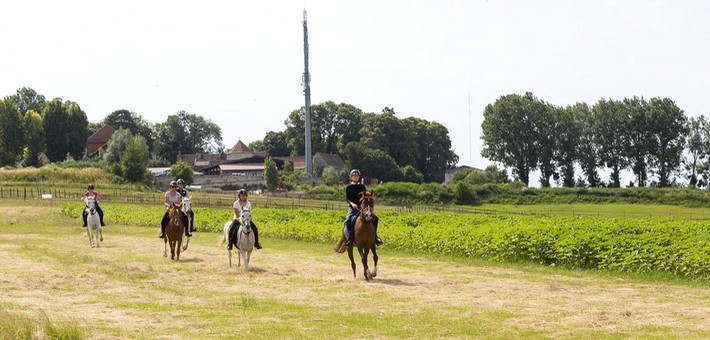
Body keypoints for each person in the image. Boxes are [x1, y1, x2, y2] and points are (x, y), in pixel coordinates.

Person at [343, 169, 381, 247]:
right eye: (354, 176)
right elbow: (347, 198)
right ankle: (350, 239)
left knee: (375, 218)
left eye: (357, 176)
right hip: (352, 208)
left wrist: (364, 206)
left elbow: (365, 197)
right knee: (348, 219)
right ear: (351, 177)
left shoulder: (362, 186)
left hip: (362, 208)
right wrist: (352, 204)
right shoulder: (349, 187)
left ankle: (375, 237)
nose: (356, 177)